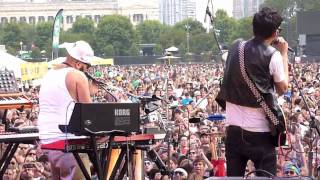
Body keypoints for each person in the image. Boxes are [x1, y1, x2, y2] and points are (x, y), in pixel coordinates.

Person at [216, 7, 289, 176]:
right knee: (265, 177)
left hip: (233, 131)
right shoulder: (273, 55)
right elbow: (283, 88)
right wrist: (284, 54)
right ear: (275, 32)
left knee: (233, 178)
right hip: (260, 134)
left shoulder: (236, 47)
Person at [38, 40, 95, 179]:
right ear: (78, 64)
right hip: (69, 141)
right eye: (86, 68)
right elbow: (90, 114)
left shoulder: (49, 74)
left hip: (49, 140)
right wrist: (89, 92)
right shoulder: (77, 75)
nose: (86, 72)